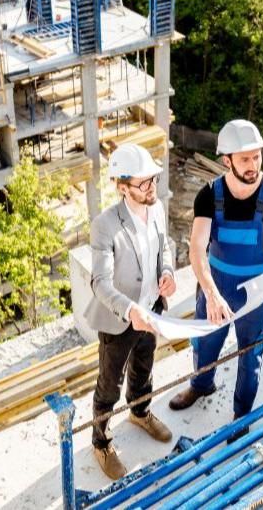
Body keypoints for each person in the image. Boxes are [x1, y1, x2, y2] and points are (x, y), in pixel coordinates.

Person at [169, 120, 263, 427]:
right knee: (205, 344)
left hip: (257, 293)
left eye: (257, 156)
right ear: (226, 160)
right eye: (244, 159)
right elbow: (196, 249)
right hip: (216, 286)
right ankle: (200, 386)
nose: (253, 165)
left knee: (251, 355)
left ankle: (240, 414)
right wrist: (211, 294)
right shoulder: (208, 196)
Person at [84, 144, 177, 479]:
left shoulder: (158, 209)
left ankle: (140, 411)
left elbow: (164, 248)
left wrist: (167, 272)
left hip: (151, 310)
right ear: (122, 187)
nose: (152, 188)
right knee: (109, 384)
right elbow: (100, 283)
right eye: (144, 184)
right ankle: (101, 441)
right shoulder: (105, 225)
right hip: (119, 319)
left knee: (145, 365)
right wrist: (130, 310)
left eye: (153, 180)